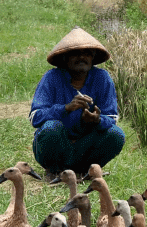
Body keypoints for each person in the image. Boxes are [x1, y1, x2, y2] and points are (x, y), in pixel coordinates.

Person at [29, 27, 125, 180]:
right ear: (65, 58)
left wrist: (97, 120)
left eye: (87, 53)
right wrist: (65, 108)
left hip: (85, 146)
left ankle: (86, 171)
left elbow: (112, 117)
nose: (82, 58)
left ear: (93, 58)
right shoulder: (52, 77)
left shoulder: (102, 78)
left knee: (116, 135)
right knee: (50, 129)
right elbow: (35, 117)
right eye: (75, 53)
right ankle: (54, 171)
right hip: (58, 145)